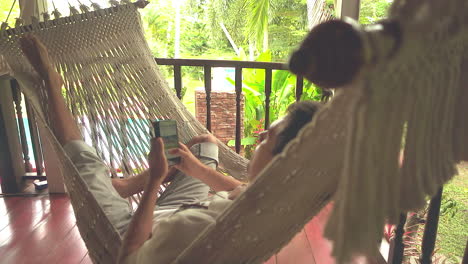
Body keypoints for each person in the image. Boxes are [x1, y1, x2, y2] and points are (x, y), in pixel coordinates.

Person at [19, 34, 322, 264]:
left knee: (83, 163)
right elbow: (241, 190)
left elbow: (130, 257)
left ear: (285, 160)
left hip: (134, 232)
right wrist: (196, 170)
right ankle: (127, 184)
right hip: (188, 210)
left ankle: (51, 80)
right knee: (206, 144)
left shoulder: (201, 229)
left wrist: (153, 182)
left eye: (269, 138)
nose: (259, 139)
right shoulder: (278, 197)